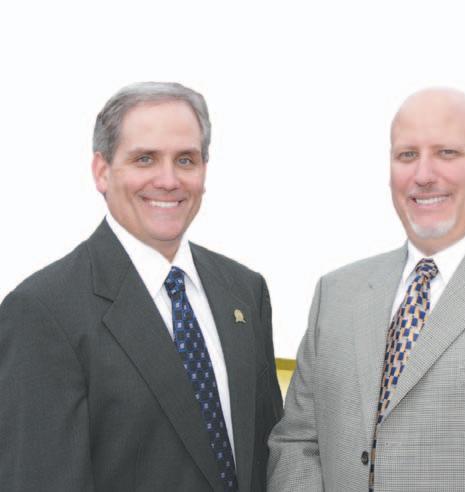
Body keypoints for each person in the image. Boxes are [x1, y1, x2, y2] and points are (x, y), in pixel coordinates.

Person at [0, 82, 282, 492]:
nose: (168, 180)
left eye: (185, 160)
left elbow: (269, 457)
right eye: (145, 159)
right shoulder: (42, 312)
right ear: (102, 171)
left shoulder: (245, 292)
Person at [267, 88, 465, 491]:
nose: (423, 175)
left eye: (447, 153)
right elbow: (297, 442)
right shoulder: (336, 295)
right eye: (407, 155)